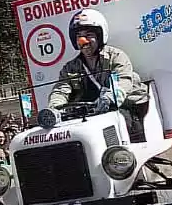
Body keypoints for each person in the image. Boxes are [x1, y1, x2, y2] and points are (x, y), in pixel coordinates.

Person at [48, 8, 149, 142]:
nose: (84, 41)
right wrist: (55, 110)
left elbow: (123, 81)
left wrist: (110, 98)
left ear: (100, 36)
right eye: (79, 36)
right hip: (95, 112)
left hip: (127, 106)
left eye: (89, 35)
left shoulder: (116, 56)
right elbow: (61, 90)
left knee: (125, 120)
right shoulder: (71, 67)